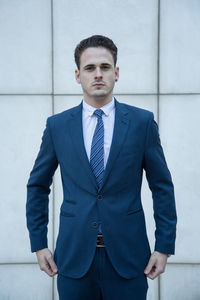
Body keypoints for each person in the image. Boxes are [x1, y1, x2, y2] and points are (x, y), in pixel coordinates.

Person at [26, 35, 177, 300]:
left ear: (116, 73)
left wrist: (164, 247)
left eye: (105, 67)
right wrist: (39, 244)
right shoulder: (57, 126)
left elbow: (162, 186)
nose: (98, 74)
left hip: (128, 257)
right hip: (74, 258)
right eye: (90, 68)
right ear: (77, 75)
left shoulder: (142, 123)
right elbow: (38, 186)